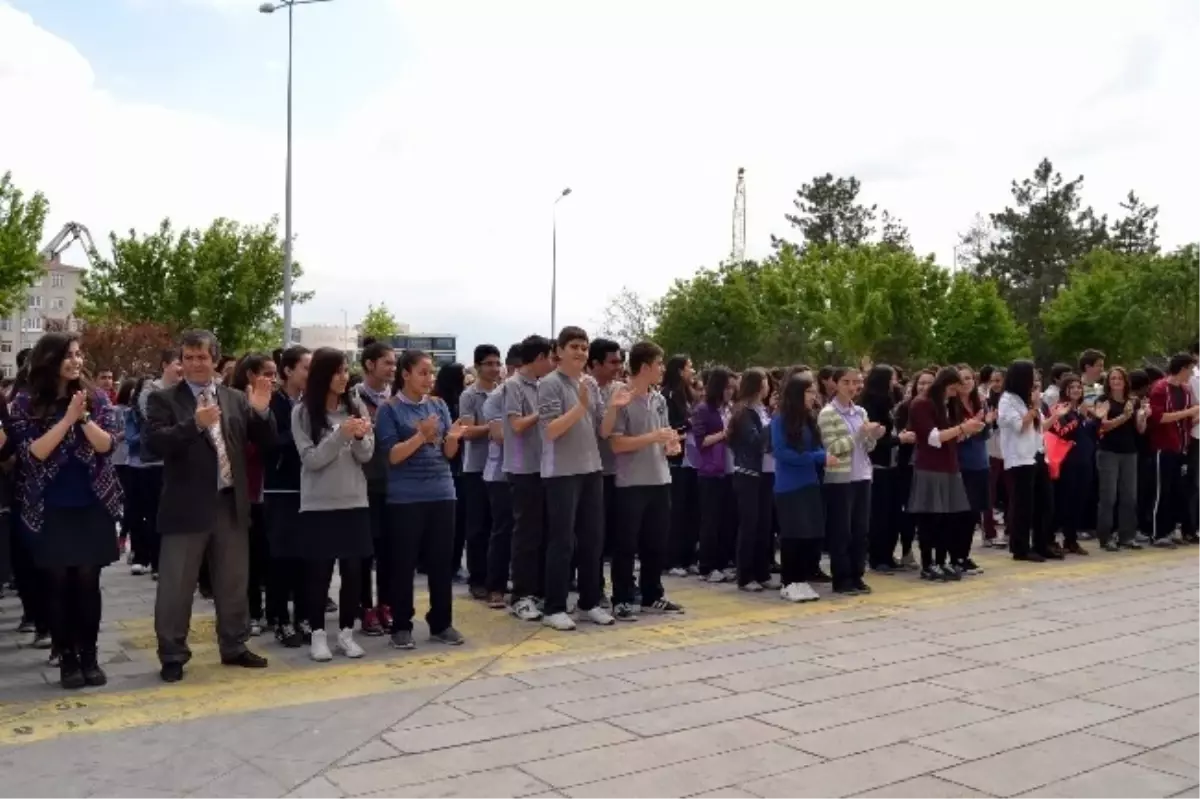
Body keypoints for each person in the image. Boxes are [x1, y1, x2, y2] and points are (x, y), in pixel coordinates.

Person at [145, 330, 276, 683]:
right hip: (186, 507)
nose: (194, 364)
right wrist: (194, 424)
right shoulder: (164, 399)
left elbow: (266, 442)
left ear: (215, 360)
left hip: (230, 503)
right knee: (176, 586)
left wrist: (262, 413)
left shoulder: (235, 398)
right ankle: (172, 653)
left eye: (202, 357)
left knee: (233, 582)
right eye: (188, 357)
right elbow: (156, 444)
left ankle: (234, 644)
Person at [8, 333, 124, 689]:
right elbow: (33, 454)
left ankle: (89, 656)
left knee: (89, 582)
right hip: (49, 507)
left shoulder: (96, 396)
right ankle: (67, 659)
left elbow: (108, 444)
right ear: (50, 359)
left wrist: (83, 416)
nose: (76, 361)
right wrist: (66, 418)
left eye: (78, 354)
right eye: (68, 355)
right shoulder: (25, 402)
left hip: (92, 503)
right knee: (58, 585)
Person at [376, 349, 468, 649]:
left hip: (442, 492)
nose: (429, 378)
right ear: (406, 374)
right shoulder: (389, 410)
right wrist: (420, 436)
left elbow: (447, 454)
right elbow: (391, 456)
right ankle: (401, 624)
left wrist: (452, 438)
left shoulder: (439, 405)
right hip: (405, 497)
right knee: (403, 564)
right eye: (423, 372)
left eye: (431, 372)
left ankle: (442, 622)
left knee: (442, 563)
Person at [292, 348, 375, 662]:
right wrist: (340, 435)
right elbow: (312, 460)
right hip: (318, 505)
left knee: (354, 571)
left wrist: (357, 437)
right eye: (338, 371)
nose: (344, 377)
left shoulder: (357, 408)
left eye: (345, 371)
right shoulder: (302, 412)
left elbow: (366, 455)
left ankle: (346, 633)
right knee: (319, 572)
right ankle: (317, 634)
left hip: (355, 500)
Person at [602, 340, 684, 620]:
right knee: (626, 543)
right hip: (631, 482)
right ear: (645, 366)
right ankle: (622, 597)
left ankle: (653, 593)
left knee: (656, 542)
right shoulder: (621, 396)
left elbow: (664, 435)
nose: (662, 369)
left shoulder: (659, 399)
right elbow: (617, 444)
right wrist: (653, 438)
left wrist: (670, 445)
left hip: (660, 478)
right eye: (659, 364)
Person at [538, 326, 612, 630]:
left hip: (591, 468)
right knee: (562, 540)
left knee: (593, 539)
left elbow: (602, 430)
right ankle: (554, 607)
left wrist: (615, 408)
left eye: (584, 347)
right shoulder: (549, 384)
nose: (581, 352)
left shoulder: (591, 383)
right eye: (574, 347)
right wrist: (580, 406)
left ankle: (589, 602)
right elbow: (550, 430)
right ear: (559, 350)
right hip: (561, 472)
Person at [817, 367, 885, 595]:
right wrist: (859, 434)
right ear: (835, 384)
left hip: (862, 475)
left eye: (856, 382)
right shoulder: (828, 413)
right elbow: (833, 448)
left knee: (860, 530)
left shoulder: (860, 412)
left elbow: (867, 448)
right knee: (841, 530)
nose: (852, 386)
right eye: (846, 381)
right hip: (840, 479)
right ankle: (842, 578)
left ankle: (857, 575)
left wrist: (872, 436)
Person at [502, 335, 555, 622]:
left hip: (546, 466)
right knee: (526, 534)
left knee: (545, 532)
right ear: (538, 359)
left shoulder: (544, 384)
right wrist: (541, 414)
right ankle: (521, 596)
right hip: (523, 468)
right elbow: (517, 424)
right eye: (550, 358)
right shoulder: (513, 386)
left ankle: (539, 592)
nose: (553, 364)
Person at [264, 345, 311, 647]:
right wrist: (299, 439)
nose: (311, 373)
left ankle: (304, 616)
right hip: (280, 486)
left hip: (312, 487)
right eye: (306, 367)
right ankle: (279, 617)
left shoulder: (313, 402)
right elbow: (267, 442)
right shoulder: (271, 402)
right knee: (281, 557)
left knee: (307, 557)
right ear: (288, 370)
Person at [772, 373, 829, 603]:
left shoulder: (809, 419)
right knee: (792, 534)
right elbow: (781, 452)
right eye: (809, 392)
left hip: (809, 482)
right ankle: (789, 581)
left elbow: (816, 447)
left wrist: (820, 456)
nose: (813, 396)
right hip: (789, 485)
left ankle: (801, 579)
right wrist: (817, 457)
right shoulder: (780, 420)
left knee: (809, 534)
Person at [351, 338, 396, 635]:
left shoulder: (397, 398)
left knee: (390, 550)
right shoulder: (353, 398)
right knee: (364, 550)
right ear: (370, 364)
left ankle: (387, 604)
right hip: (364, 483)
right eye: (387, 363)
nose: (393, 368)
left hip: (394, 483)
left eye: (394, 363)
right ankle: (365, 607)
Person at [458, 344, 502, 600]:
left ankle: (495, 576)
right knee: (477, 526)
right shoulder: (469, 395)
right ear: (477, 366)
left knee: (498, 525)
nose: (494, 369)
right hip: (476, 467)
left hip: (499, 468)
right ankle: (477, 579)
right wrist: (495, 426)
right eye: (489, 364)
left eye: (497, 363)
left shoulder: (503, 391)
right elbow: (467, 431)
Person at [726, 367, 775, 591]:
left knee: (765, 524)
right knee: (750, 524)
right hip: (748, 474)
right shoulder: (744, 411)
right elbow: (753, 441)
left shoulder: (762, 410)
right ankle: (745, 576)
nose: (768, 386)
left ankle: (762, 571)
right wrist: (772, 427)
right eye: (764, 381)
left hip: (766, 473)